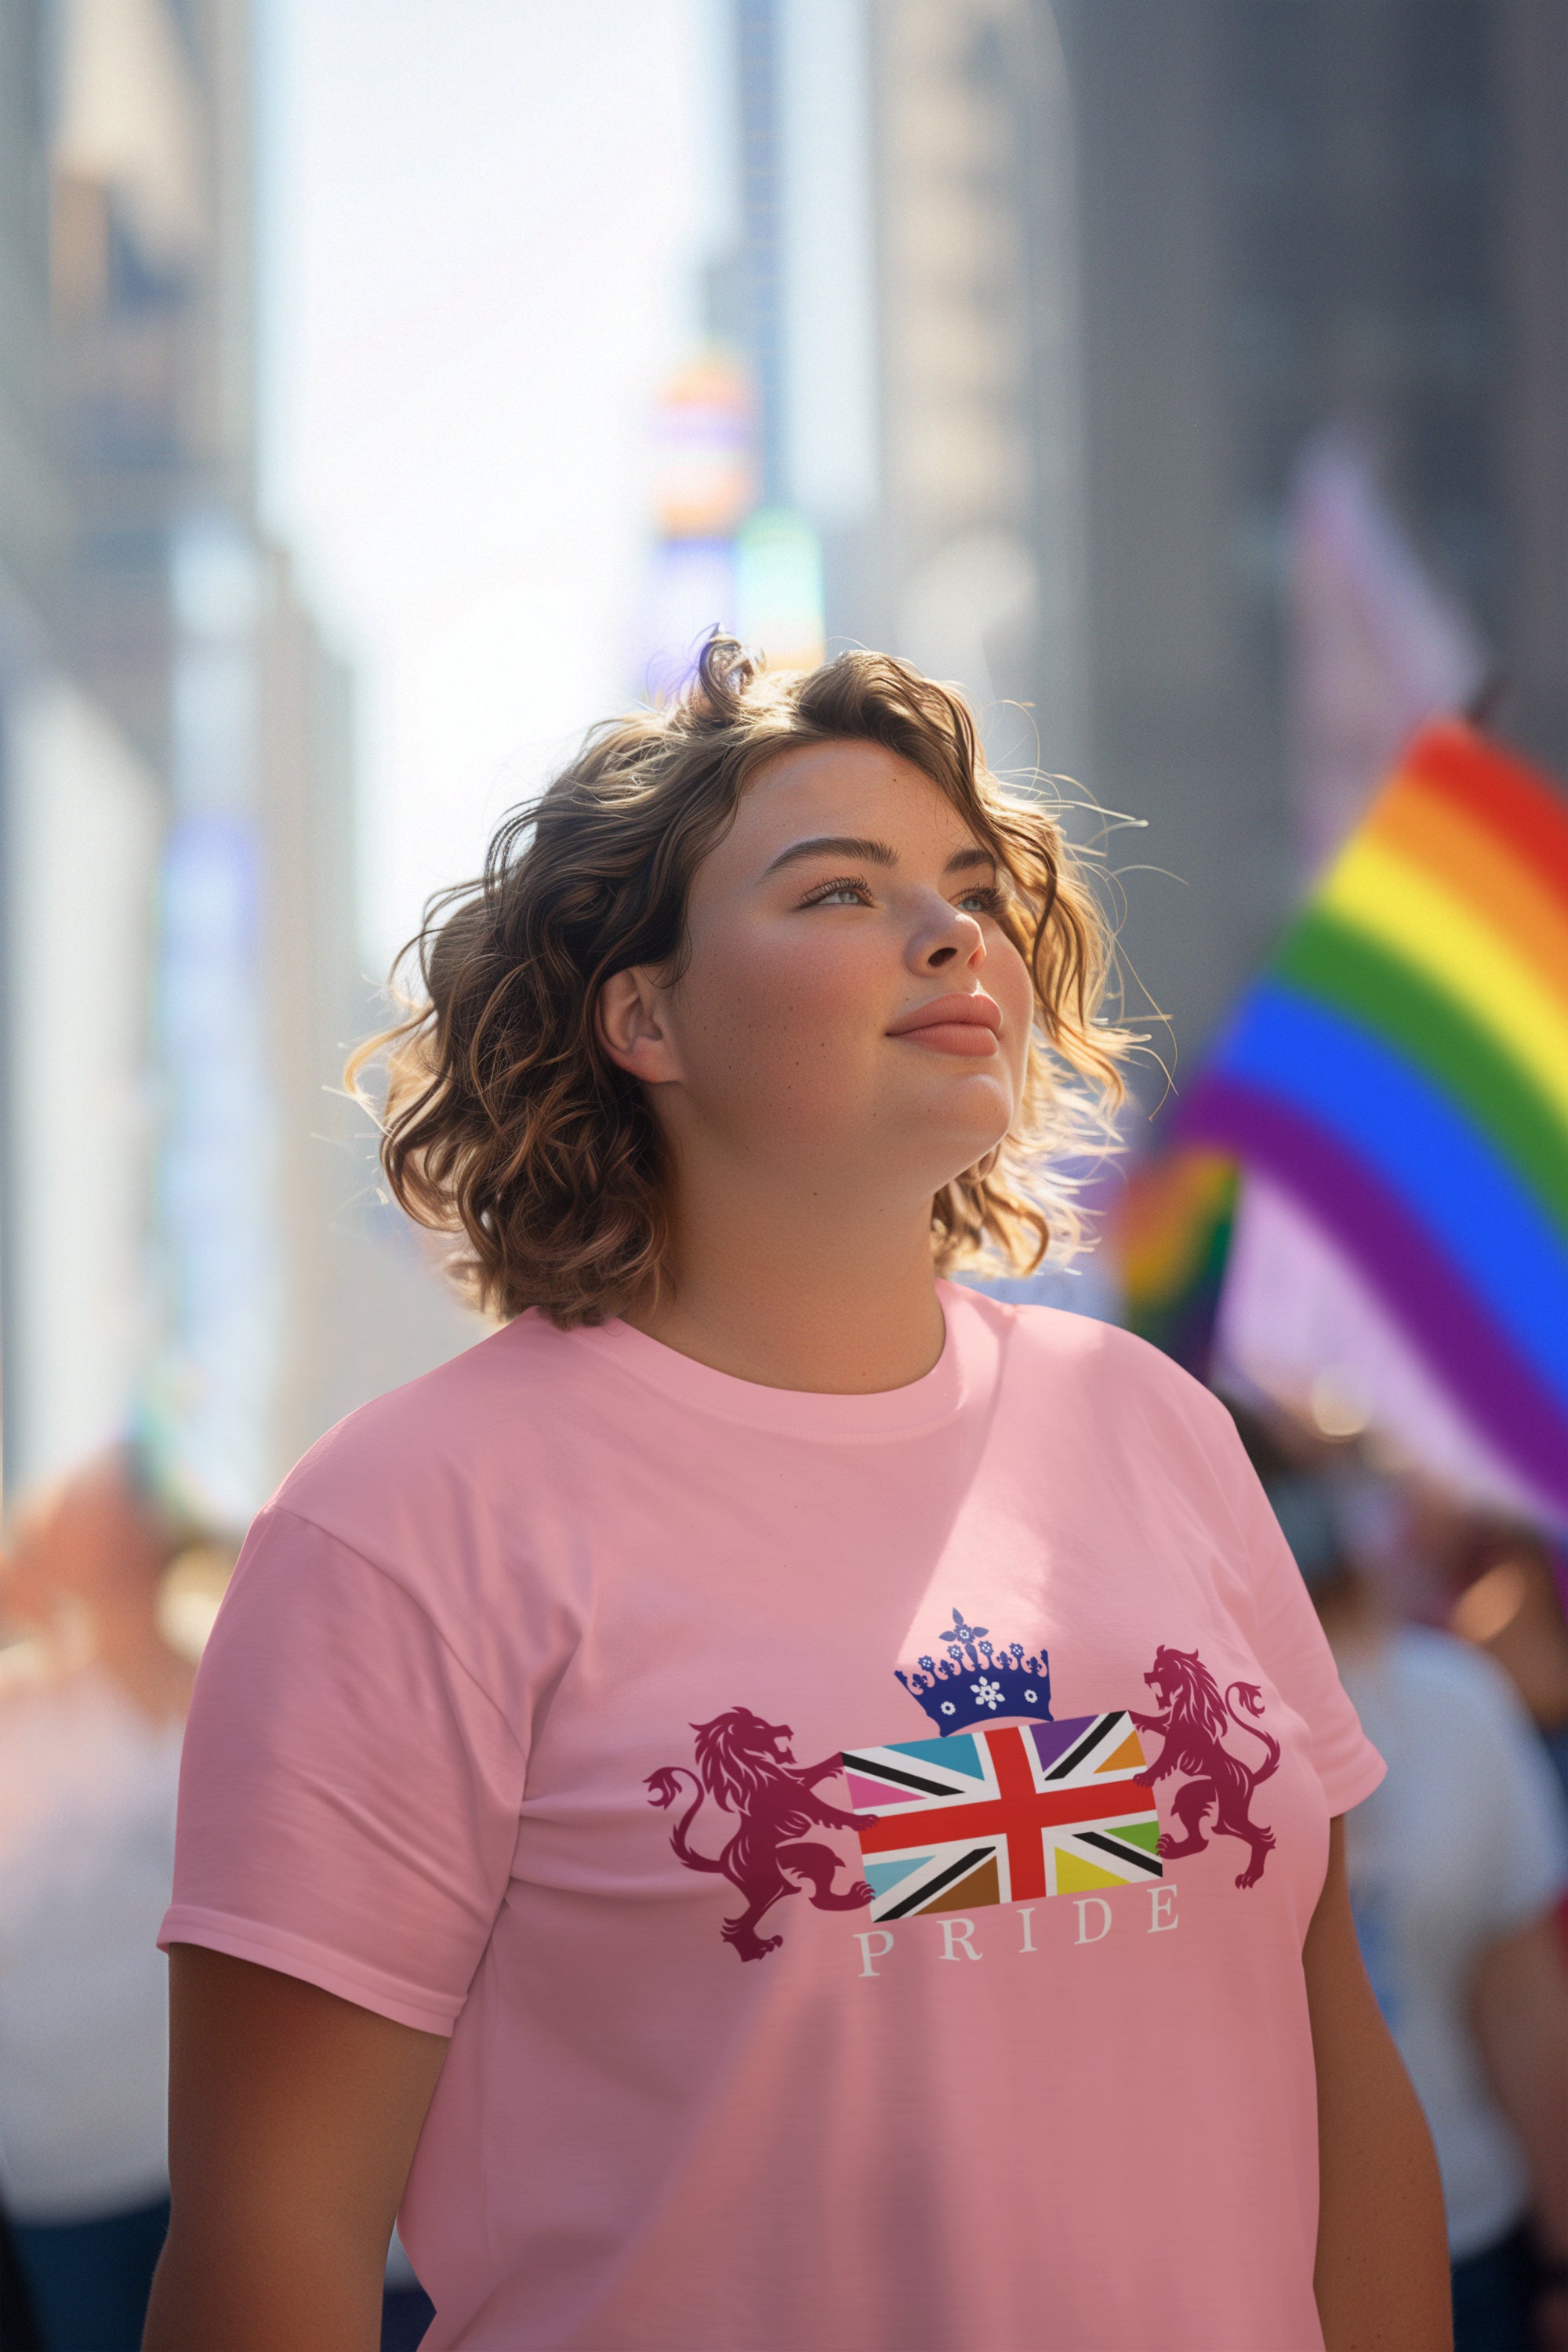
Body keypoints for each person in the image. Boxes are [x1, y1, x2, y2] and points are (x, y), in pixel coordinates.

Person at [146, 641, 1449, 2352]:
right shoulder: (401, 1526)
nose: (949, 933)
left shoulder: (1155, 1425)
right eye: (838, 891)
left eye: (971, 891)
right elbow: (270, 2256)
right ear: (644, 1016)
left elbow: (1335, 2067)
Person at [1279, 1476, 1568, 2352]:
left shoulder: (1451, 1704)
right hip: (1235, 2271)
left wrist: (1561, 2261)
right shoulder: (1112, 1755)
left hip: (1466, 2242)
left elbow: (1519, 2003)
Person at [0, 1446, 196, 2352]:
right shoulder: (21, 1704)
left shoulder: (237, 1675)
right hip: (60, 2155)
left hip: (211, 2143)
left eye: (122, 1501)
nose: (104, 1524)